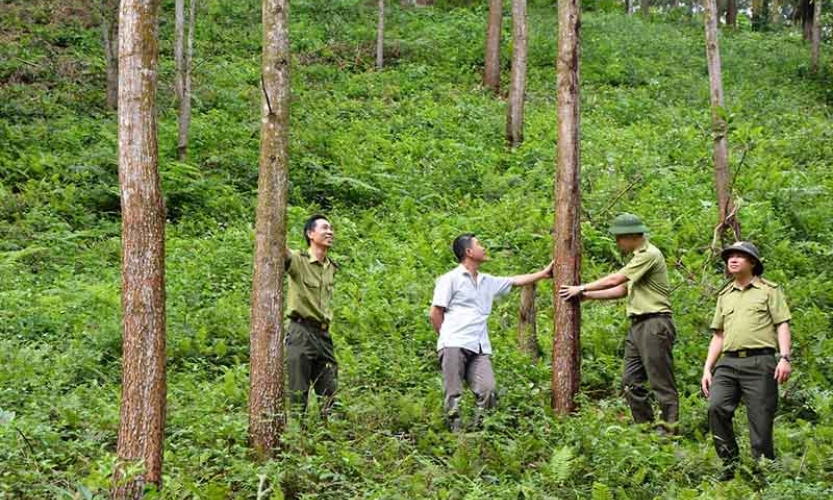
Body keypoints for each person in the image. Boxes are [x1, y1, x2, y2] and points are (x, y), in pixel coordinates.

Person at [559, 213, 679, 431]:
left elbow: (616, 279)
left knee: (661, 382)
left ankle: (668, 434)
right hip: (638, 325)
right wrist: (587, 296)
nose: (617, 243)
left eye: (619, 238)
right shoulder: (637, 259)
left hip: (655, 323)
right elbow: (622, 290)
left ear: (631, 236)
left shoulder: (649, 254)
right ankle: (645, 429)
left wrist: (582, 287)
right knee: (630, 381)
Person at [430, 233, 553, 431]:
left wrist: (543, 274)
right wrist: (446, 338)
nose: (484, 248)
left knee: (488, 389)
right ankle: (457, 438)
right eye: (479, 245)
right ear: (469, 252)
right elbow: (435, 313)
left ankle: (482, 434)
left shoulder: (487, 281)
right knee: (453, 394)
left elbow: (515, 281)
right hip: (454, 342)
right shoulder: (450, 279)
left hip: (479, 346)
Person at [701, 241, 792, 479]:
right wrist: (707, 368)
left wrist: (784, 357)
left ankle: (764, 473)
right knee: (716, 407)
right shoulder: (724, 295)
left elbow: (782, 324)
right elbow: (718, 334)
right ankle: (730, 465)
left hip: (760, 362)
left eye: (740, 256)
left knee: (761, 421)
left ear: (752, 262)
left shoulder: (769, 291)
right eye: (730, 256)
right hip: (728, 364)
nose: (733, 259)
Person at [285, 214, 339, 419]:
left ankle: (329, 440)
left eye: (331, 228)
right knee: (298, 393)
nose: (330, 232)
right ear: (310, 233)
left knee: (330, 392)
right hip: (301, 332)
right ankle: (297, 440)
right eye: (324, 228)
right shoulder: (299, 261)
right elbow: (279, 249)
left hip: (324, 335)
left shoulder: (330, 267)